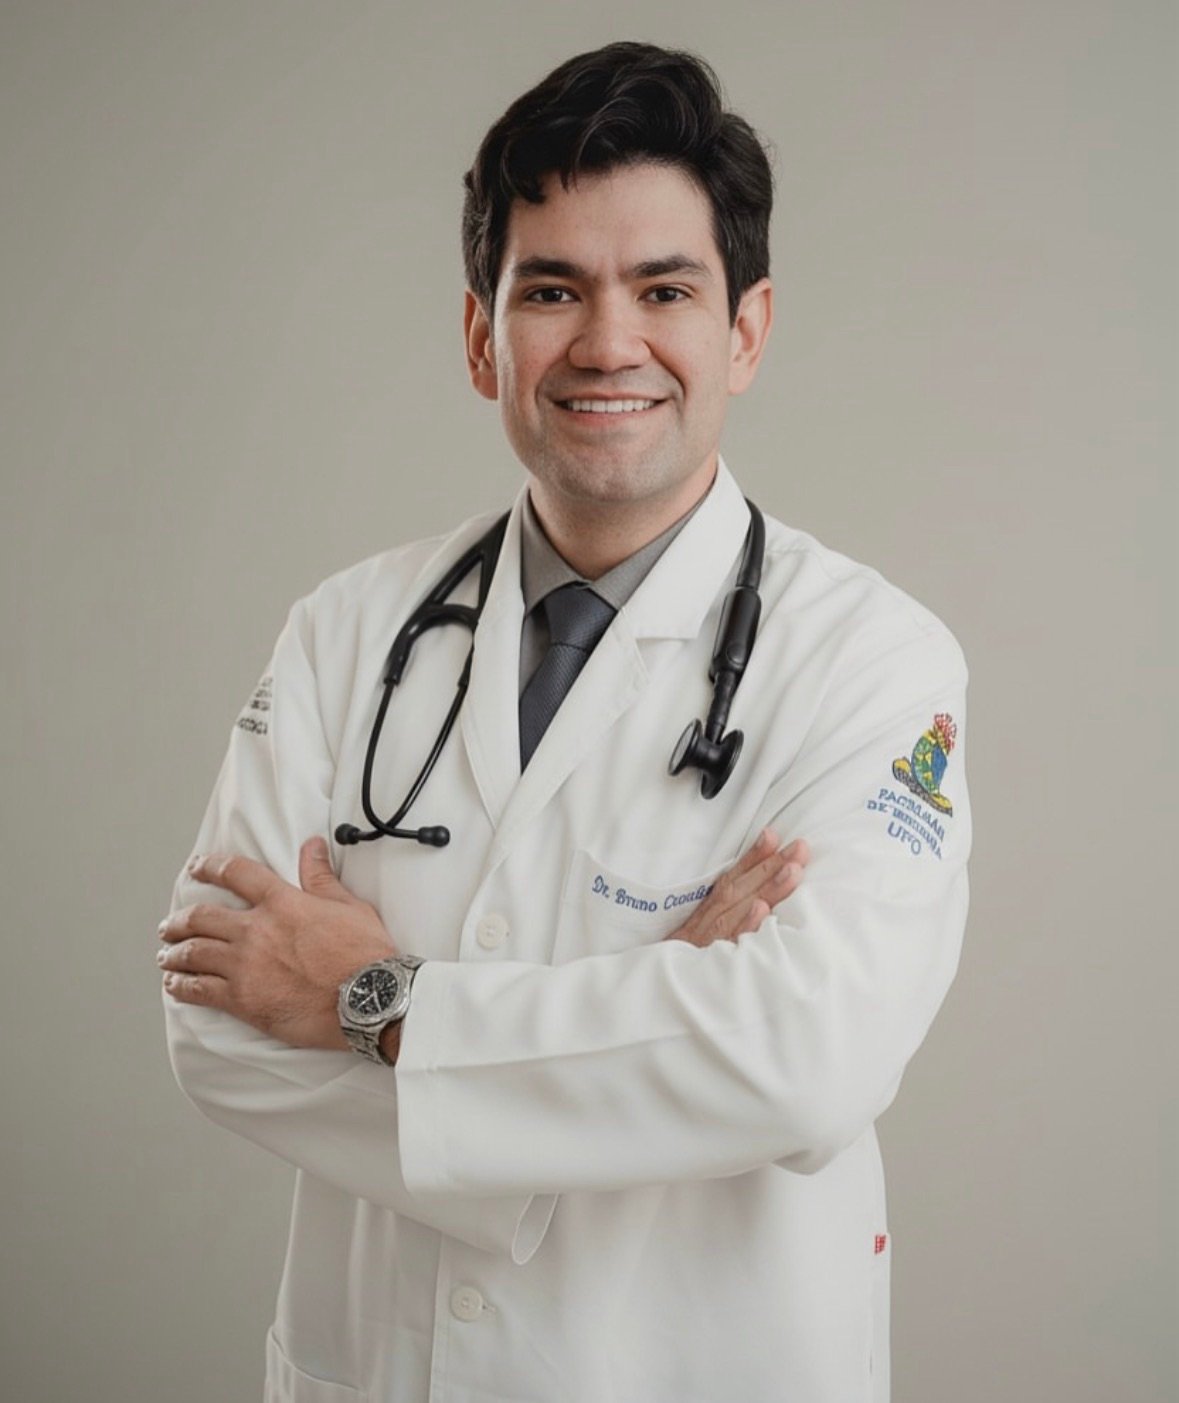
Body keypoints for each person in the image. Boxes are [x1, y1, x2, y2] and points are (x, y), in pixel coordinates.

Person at [159, 41, 970, 1403]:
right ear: (484, 338)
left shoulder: (872, 662)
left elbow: (808, 1059)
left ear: (746, 330)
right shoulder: (343, 634)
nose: (607, 344)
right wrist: (655, 1028)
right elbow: (219, 1032)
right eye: (551, 290)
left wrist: (375, 1003)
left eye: (665, 289)